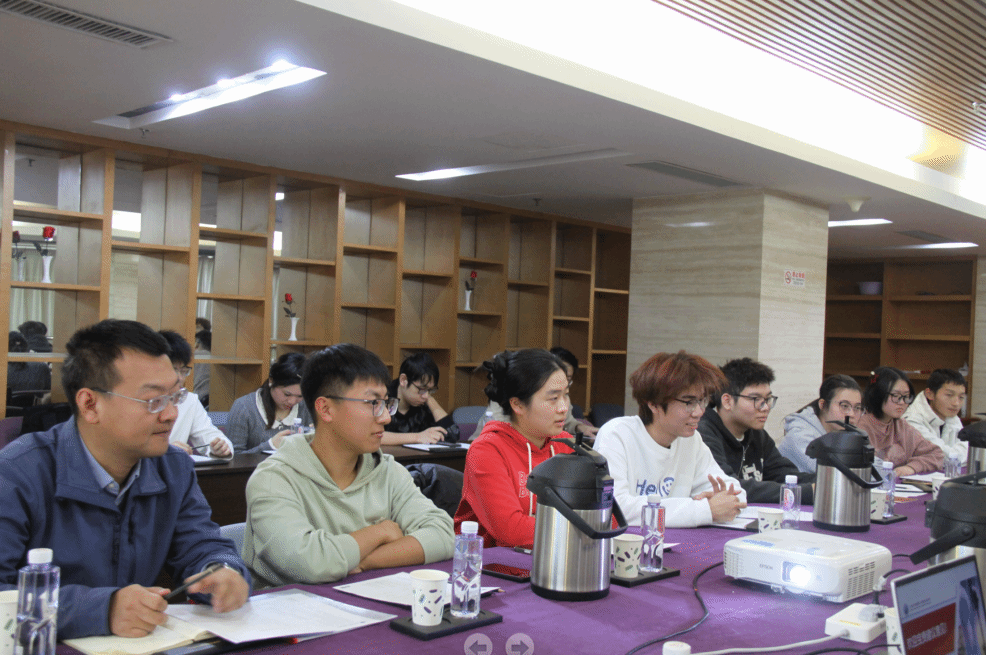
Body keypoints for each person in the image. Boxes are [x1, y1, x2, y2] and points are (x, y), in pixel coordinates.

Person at [0, 319, 250, 639]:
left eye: (175, 397)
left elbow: (201, 545)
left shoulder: (172, 468)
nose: (171, 414)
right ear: (90, 404)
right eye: (154, 401)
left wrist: (222, 570)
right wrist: (102, 610)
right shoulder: (18, 473)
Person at [243, 343, 454, 586]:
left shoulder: (387, 471)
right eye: (372, 403)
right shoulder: (274, 479)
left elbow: (443, 534)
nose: (386, 417)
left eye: (386, 403)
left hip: (371, 602)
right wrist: (381, 531)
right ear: (325, 409)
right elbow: (311, 562)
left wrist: (365, 562)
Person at [594, 351, 746, 527]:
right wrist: (704, 509)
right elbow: (615, 508)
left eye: (702, 401)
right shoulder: (617, 435)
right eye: (689, 402)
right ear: (654, 403)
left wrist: (724, 501)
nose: (699, 412)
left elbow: (735, 492)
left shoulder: (691, 440)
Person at [454, 348, 576, 548]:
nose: (564, 407)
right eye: (553, 398)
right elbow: (512, 530)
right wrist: (582, 529)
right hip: (492, 562)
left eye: (566, 395)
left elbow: (606, 515)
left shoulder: (566, 445)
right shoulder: (486, 450)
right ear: (517, 405)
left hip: (555, 555)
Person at [698, 357, 815, 504]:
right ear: (727, 401)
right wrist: (808, 492)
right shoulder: (702, 433)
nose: (765, 407)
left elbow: (785, 474)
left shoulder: (757, 434)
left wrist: (828, 484)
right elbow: (730, 487)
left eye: (768, 399)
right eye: (755, 399)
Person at [469, 346, 599, 440]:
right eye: (554, 397)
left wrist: (579, 427)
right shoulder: (511, 394)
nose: (563, 407)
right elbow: (501, 426)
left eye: (565, 392)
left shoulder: (561, 442)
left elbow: (567, 422)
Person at [158, 330, 232, 459]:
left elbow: (210, 435)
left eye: (184, 371)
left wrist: (219, 447)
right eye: (174, 370)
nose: (180, 378)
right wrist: (167, 451)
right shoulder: (142, 401)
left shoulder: (189, 400)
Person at [858, 366, 944, 475]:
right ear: (878, 394)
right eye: (896, 396)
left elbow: (937, 454)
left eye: (906, 396)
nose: (902, 402)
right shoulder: (860, 426)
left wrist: (911, 468)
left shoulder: (901, 425)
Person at [227, 352, 312, 454]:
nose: (292, 401)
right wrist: (270, 445)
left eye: (300, 396)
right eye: (287, 394)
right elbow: (234, 457)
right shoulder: (244, 407)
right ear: (271, 381)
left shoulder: (306, 407)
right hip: (256, 465)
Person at [780, 375, 863, 473]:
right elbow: (835, 473)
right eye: (844, 406)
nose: (852, 414)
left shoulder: (844, 436)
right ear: (822, 405)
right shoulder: (800, 436)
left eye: (857, 408)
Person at [383, 352, 450, 445]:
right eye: (422, 389)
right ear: (403, 380)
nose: (425, 396)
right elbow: (371, 436)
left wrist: (430, 400)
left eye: (430, 390)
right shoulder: (382, 397)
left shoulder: (424, 403)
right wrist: (417, 437)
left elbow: (452, 435)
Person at [901, 368, 967, 462]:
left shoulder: (951, 416)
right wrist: (959, 455)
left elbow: (968, 450)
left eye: (961, 397)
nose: (956, 403)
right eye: (949, 395)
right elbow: (939, 455)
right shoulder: (911, 420)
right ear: (930, 394)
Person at [192, 329, 211, 404]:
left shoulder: (193, 356)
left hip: (197, 397)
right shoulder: (215, 358)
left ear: (197, 343)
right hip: (211, 399)